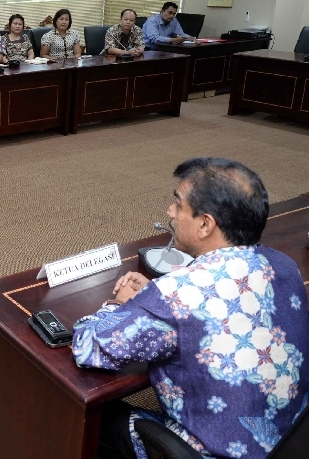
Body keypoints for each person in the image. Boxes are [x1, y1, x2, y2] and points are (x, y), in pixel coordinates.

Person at [72, 157, 309, 459]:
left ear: (205, 224)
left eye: (178, 205)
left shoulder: (176, 294)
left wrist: (119, 305)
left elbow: (88, 346)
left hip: (217, 453)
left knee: (90, 415)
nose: (170, 212)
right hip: (291, 439)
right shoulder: (285, 265)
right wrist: (153, 300)